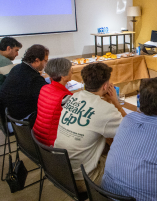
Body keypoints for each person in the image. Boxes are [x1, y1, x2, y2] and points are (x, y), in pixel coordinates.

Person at [54, 63, 126, 192]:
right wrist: (116, 102)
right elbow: (131, 131)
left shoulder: (73, 97)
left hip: (60, 169)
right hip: (83, 179)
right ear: (105, 86)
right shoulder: (105, 110)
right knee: (126, 163)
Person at [0, 44, 49, 122]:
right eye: (45, 61)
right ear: (37, 61)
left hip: (7, 114)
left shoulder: (17, 68)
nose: (46, 64)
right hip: (21, 120)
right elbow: (48, 96)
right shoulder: (34, 78)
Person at [33, 58, 73, 147]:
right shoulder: (65, 97)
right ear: (64, 76)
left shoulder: (44, 88)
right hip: (52, 142)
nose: (72, 72)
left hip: (38, 137)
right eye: (71, 70)